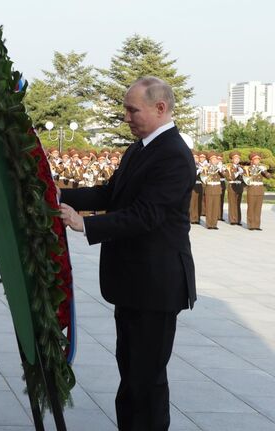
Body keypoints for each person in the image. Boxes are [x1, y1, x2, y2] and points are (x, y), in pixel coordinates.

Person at [59, 77, 196, 431]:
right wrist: (57, 195)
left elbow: (146, 215)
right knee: (131, 375)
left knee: (146, 381)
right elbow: (111, 193)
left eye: (132, 109)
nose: (126, 117)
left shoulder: (174, 155)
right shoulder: (142, 148)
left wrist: (85, 226)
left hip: (156, 286)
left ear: (160, 108)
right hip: (135, 283)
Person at [244, 152, 272, 230]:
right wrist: (256, 171)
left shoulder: (261, 168)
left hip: (260, 190)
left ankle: (257, 225)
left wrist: (264, 171)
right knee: (251, 208)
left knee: (258, 208)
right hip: (252, 189)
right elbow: (246, 178)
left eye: (258, 160)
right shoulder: (248, 168)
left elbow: (269, 177)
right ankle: (251, 225)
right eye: (255, 160)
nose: (257, 161)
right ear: (252, 161)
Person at [223, 151, 244, 226]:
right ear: (232, 160)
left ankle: (238, 220)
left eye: (238, 158)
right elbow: (229, 178)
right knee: (232, 203)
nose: (237, 160)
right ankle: (232, 219)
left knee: (238, 204)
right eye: (235, 158)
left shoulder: (242, 167)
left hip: (239, 186)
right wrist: (238, 173)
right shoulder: (228, 167)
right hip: (232, 186)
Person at [202, 152, 223, 230]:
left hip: (217, 189)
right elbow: (204, 178)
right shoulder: (206, 168)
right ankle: (209, 224)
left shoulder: (219, 168)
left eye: (215, 159)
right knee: (209, 207)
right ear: (210, 160)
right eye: (213, 159)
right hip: (209, 188)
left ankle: (214, 224)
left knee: (215, 207)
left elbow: (224, 175)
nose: (215, 161)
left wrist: (220, 168)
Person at [189, 151, 203, 224]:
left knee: (198, 202)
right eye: (194, 158)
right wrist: (197, 171)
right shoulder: (189, 165)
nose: (196, 159)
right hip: (192, 186)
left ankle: (197, 218)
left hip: (199, 186)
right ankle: (192, 218)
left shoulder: (201, 166)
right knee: (192, 203)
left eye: (197, 158)